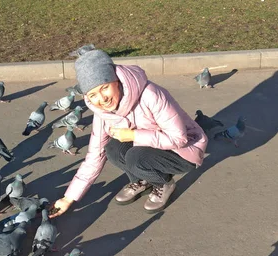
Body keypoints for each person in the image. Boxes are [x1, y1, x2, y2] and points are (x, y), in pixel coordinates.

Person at [50, 49, 208, 217]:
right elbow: (95, 155)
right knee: (111, 149)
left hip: (185, 151)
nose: (102, 99)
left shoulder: (151, 95)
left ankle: (163, 183)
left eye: (104, 88)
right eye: (93, 94)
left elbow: (179, 138)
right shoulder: (102, 112)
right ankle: (142, 179)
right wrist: (68, 198)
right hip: (149, 146)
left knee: (135, 156)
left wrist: (133, 136)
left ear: (116, 81)